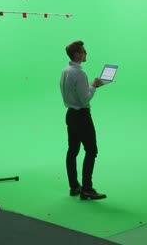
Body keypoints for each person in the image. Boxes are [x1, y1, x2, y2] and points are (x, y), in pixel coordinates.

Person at [60, 40, 107, 200]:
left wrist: (89, 87)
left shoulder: (66, 70)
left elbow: (74, 93)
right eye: (84, 51)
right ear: (77, 54)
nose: (86, 54)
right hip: (81, 116)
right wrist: (93, 86)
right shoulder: (79, 73)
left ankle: (74, 187)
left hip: (70, 115)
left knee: (72, 151)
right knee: (91, 150)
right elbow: (84, 99)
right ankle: (87, 188)